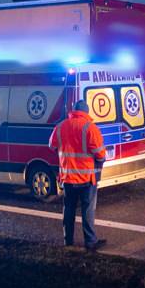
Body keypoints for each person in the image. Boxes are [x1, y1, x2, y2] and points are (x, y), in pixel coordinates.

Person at [48, 100, 107, 251]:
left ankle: (68, 240)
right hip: (87, 178)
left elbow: (52, 146)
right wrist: (99, 161)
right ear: (86, 112)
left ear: (73, 111)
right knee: (87, 210)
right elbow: (100, 154)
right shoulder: (90, 127)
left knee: (69, 209)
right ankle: (90, 242)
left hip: (67, 177)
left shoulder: (60, 126)